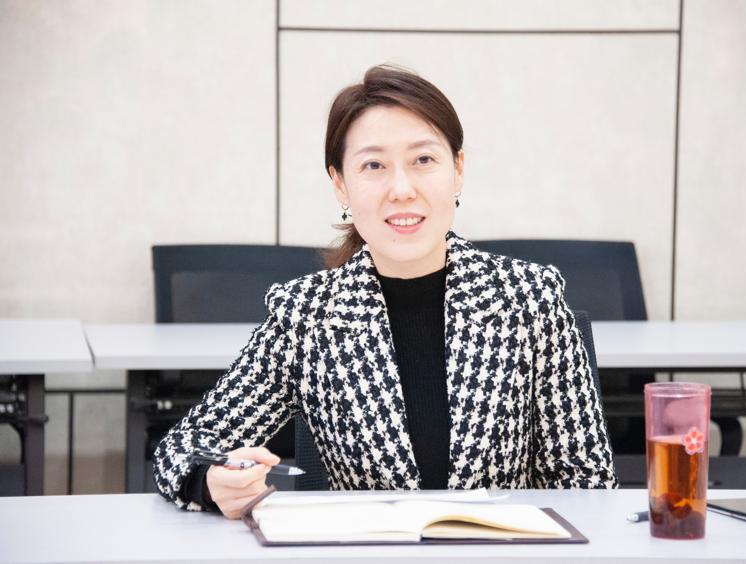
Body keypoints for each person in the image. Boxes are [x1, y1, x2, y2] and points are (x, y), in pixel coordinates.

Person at [154, 64, 618, 519]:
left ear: (458, 169)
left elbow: (588, 484)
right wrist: (211, 481)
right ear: (341, 184)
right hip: (365, 553)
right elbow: (183, 448)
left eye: (423, 160)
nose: (401, 189)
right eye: (373, 165)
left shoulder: (529, 298)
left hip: (504, 553)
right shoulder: (306, 315)